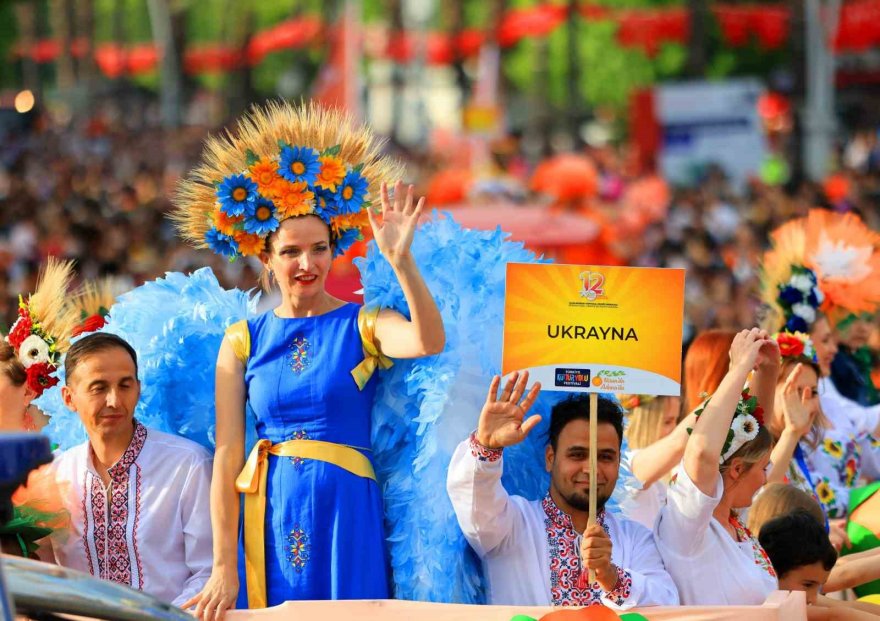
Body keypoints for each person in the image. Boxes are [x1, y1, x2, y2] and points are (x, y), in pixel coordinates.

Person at [173, 102, 445, 617]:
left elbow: (428, 341)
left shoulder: (364, 323)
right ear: (266, 258)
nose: (307, 263)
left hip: (347, 510)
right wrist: (222, 566)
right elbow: (228, 457)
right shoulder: (242, 341)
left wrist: (401, 262)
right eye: (292, 251)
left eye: (319, 249)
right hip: (267, 510)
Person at [447, 372, 679, 609]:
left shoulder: (635, 538)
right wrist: (486, 446)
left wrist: (612, 577)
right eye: (577, 455)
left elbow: (666, 600)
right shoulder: (512, 523)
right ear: (550, 458)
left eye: (605, 457)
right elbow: (475, 500)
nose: (591, 469)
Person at [49, 332, 213, 608]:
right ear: (69, 398)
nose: (114, 400)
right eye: (98, 388)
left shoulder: (187, 465)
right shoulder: (55, 475)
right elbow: (43, 576)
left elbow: (208, 572)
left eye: (125, 386)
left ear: (138, 389)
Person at [655, 328, 778, 605]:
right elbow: (701, 453)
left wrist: (768, 371)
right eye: (763, 469)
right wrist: (738, 368)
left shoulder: (733, 518)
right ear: (735, 470)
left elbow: (753, 436)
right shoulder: (689, 524)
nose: (766, 479)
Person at [760, 510, 880, 619]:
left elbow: (842, 607)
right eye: (808, 584)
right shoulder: (763, 598)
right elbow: (845, 577)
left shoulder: (798, 592)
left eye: (819, 587)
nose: (813, 598)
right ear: (772, 571)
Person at [619, 394, 692, 529]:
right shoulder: (622, 464)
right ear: (642, 423)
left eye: (676, 421)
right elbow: (677, 444)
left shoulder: (667, 476)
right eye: (667, 422)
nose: (674, 430)